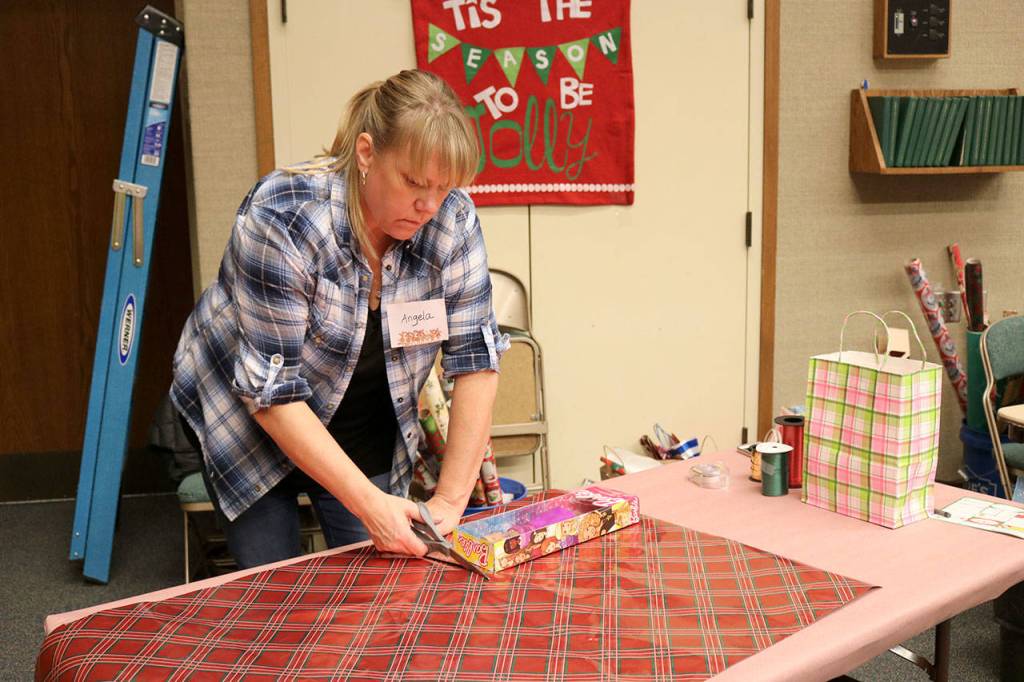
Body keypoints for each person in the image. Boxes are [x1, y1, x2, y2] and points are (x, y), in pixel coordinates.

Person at [170, 69, 507, 569]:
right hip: (251, 421)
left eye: (443, 187)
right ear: (367, 154)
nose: (428, 206)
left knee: (386, 590)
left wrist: (450, 502)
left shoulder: (451, 219)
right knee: (279, 593)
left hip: (365, 421)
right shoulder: (285, 218)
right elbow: (271, 394)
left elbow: (476, 360)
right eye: (414, 183)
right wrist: (371, 508)